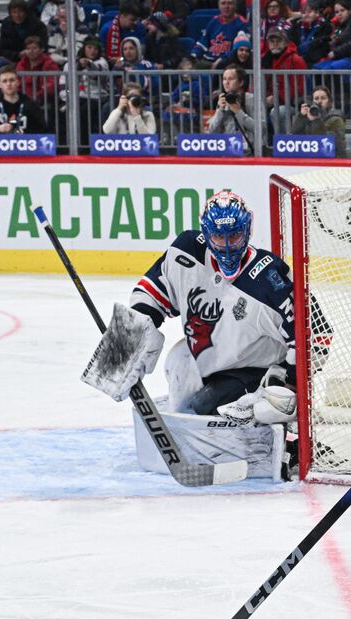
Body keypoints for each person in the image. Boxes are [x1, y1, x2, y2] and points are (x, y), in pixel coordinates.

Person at [80, 191, 300, 481]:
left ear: (247, 231)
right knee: (178, 363)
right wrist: (131, 338)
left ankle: (285, 443)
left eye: (234, 237)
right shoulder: (186, 251)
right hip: (211, 360)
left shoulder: (268, 279)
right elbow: (151, 292)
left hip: (253, 370)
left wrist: (282, 381)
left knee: (202, 410)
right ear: (205, 233)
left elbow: (317, 334)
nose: (226, 247)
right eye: (219, 238)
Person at [208, 63, 257, 151]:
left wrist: (239, 112)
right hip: (227, 151)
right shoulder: (222, 99)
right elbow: (212, 131)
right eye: (224, 79)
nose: (226, 83)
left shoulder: (252, 99)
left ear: (241, 82)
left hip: (250, 150)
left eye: (230, 79)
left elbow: (261, 129)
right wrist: (220, 111)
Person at [0, 66, 49, 133]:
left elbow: (42, 128)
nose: (8, 84)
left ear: (18, 82)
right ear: (0, 85)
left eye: (12, 80)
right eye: (5, 81)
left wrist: (26, 134)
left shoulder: (30, 104)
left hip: (26, 142)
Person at [193, 0, 250, 67]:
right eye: (223, 3)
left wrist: (222, 59)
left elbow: (241, 49)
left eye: (230, 3)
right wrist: (194, 54)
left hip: (228, 63)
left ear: (235, 6)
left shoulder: (242, 23)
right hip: (208, 60)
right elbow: (204, 41)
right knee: (188, 65)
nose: (226, 6)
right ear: (219, 6)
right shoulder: (214, 21)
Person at [13, 36, 60, 106]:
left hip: (42, 99)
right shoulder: (21, 64)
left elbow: (51, 85)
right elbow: (17, 83)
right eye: (28, 49)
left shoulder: (49, 64)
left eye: (34, 48)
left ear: (41, 49)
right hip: (23, 98)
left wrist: (36, 97)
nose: (31, 51)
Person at [289, 0, 335, 66]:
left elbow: (323, 48)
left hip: (317, 62)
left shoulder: (326, 26)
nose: (306, 15)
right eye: (304, 13)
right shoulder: (296, 26)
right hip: (298, 61)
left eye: (309, 12)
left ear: (317, 13)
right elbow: (292, 45)